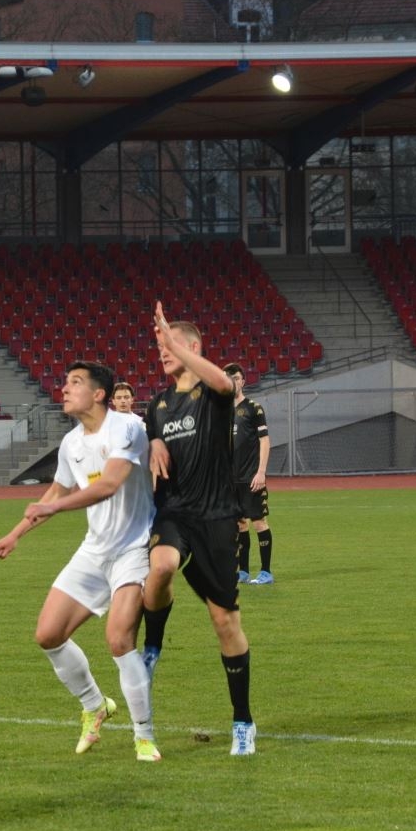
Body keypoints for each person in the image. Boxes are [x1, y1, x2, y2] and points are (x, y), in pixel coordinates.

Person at [0, 361, 159, 763]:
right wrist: (16, 533)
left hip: (134, 548)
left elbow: (109, 484)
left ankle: (144, 735)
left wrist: (54, 508)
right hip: (94, 550)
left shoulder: (126, 427)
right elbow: (55, 491)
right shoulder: (71, 443)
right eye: (66, 381)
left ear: (99, 394)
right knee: (48, 634)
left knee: (119, 640)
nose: (64, 388)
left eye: (75, 382)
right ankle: (95, 705)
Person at [140, 301, 256, 755]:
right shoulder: (158, 404)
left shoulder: (213, 392)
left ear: (191, 347)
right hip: (175, 513)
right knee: (161, 566)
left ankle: (243, 721)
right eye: (159, 347)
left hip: (217, 518)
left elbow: (225, 382)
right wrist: (154, 440)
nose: (161, 352)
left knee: (224, 621)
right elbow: (149, 431)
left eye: (168, 346)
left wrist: (174, 340)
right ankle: (152, 649)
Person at [222, 363, 273, 585]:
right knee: (240, 524)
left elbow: (265, 441)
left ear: (243, 381)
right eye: (228, 378)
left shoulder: (254, 408)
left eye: (236, 378)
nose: (232, 382)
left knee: (259, 522)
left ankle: (266, 572)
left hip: (251, 477)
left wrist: (261, 472)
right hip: (230, 480)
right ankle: (243, 571)